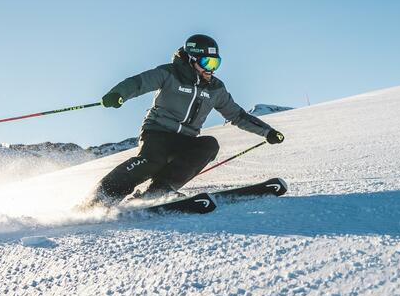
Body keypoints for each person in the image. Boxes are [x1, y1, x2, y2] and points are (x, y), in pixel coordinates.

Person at [87, 34, 284, 206]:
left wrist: (267, 132)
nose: (211, 69)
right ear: (192, 59)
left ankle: (159, 191)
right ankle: (100, 198)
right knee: (151, 161)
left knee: (208, 145)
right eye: (207, 63)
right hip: (158, 132)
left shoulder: (215, 88)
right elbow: (139, 83)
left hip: (186, 139)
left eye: (216, 64)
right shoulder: (170, 73)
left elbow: (238, 115)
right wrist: (118, 94)